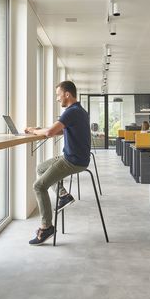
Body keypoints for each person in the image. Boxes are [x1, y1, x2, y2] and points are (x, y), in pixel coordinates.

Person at [25, 81, 91, 245]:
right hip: (75, 157)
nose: (57, 98)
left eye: (58, 95)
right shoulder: (79, 111)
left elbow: (49, 132)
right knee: (41, 168)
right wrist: (41, 129)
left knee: (38, 186)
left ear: (67, 94)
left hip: (73, 160)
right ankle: (63, 194)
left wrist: (34, 130)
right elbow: (60, 129)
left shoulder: (71, 111)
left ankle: (46, 227)